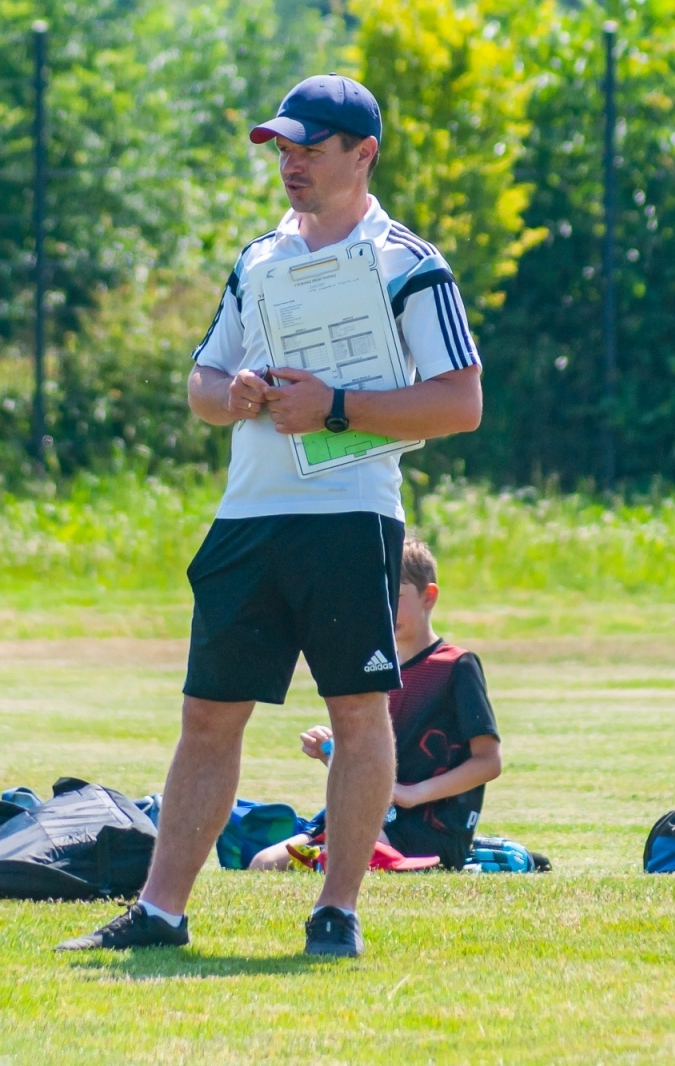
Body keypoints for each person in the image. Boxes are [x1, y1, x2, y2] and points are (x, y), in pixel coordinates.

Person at [58, 74, 483, 959]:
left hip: (348, 518)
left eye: (310, 148)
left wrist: (336, 407)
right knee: (207, 718)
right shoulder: (258, 259)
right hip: (248, 519)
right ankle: (163, 913)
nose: (290, 163)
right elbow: (201, 386)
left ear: (363, 155)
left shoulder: (411, 261)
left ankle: (336, 912)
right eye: (282, 148)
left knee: (359, 715)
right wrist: (237, 393)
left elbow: (460, 403)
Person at [248, 534, 502, 871]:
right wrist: (332, 752)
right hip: (370, 817)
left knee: (343, 861)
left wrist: (412, 793)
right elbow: (374, 759)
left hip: (426, 830)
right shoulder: (374, 671)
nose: (383, 610)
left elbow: (488, 762)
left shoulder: (456, 666)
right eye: (374, 598)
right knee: (263, 863)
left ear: (429, 596)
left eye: (394, 597)